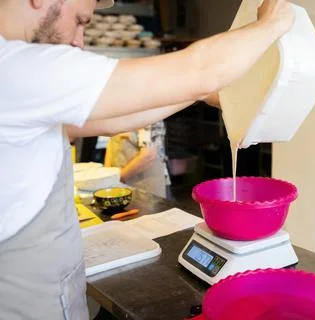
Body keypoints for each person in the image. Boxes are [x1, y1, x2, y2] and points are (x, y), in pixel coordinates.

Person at [0, 0, 294, 318]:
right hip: (27, 302)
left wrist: (196, 93)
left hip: (49, 289)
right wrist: (272, 24)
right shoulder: (15, 67)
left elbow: (107, 120)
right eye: (81, 21)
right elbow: (201, 68)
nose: (79, 41)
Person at [104, 121, 171, 198]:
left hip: (144, 189)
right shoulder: (119, 115)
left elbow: (148, 156)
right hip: (118, 184)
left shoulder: (149, 117)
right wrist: (107, 175)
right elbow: (111, 145)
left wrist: (119, 178)